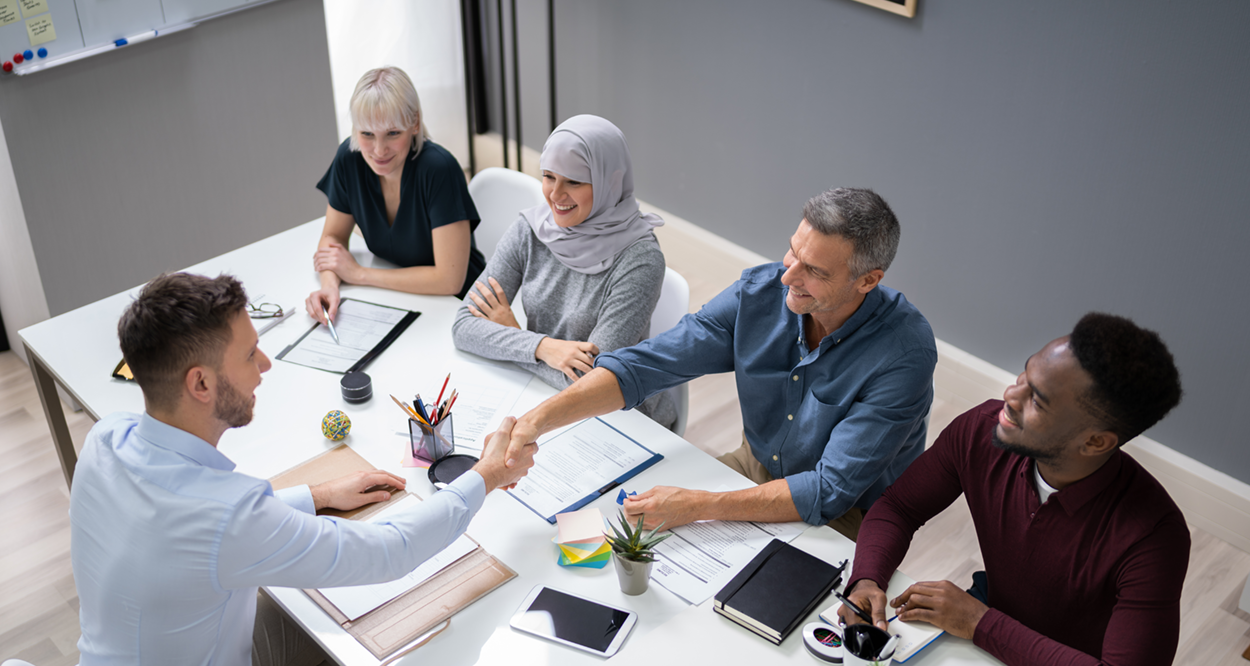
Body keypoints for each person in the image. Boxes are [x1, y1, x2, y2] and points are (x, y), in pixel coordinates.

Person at [68, 272, 535, 666]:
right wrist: (486, 476)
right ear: (200, 384)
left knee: (307, 622)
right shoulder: (225, 517)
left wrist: (315, 495)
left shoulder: (109, 438)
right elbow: (389, 551)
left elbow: (204, 524)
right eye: (249, 356)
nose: (265, 367)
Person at [503, 187, 936, 536]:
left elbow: (829, 490)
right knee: (629, 537)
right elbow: (645, 365)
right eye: (792, 253)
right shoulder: (761, 292)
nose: (786, 276)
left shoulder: (904, 356)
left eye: (814, 271)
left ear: (868, 280)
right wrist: (535, 421)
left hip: (848, 514)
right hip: (758, 463)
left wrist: (699, 505)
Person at [841, 312, 1187, 666]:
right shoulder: (982, 429)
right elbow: (899, 507)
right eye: (1024, 374)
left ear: (1095, 441)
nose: (1010, 394)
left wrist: (978, 622)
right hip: (983, 632)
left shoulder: (1154, 536)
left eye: (1037, 400)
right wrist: (867, 580)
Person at [451, 115, 675, 427]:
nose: (555, 195)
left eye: (574, 181)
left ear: (610, 182)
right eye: (548, 176)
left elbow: (588, 385)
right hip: (539, 394)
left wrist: (514, 337)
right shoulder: (532, 228)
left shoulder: (641, 259)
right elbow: (463, 328)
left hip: (622, 420)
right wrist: (542, 347)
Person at [307, 66, 486, 328]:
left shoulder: (439, 169)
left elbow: (449, 280)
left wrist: (359, 274)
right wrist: (329, 286)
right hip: (396, 297)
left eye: (392, 133)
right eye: (367, 134)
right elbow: (332, 238)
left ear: (414, 123)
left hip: (458, 306)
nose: (379, 150)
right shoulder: (349, 159)